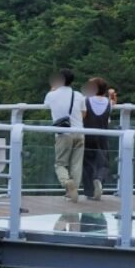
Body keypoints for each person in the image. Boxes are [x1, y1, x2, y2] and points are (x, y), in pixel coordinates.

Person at [44, 68, 86, 203]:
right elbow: (84, 113)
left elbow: (46, 106)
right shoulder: (78, 95)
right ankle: (73, 192)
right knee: (77, 163)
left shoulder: (52, 95)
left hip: (63, 134)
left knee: (60, 163)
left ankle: (67, 183)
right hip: (79, 132)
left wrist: (52, 90)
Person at [81, 77, 116, 202]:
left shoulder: (86, 101)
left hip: (87, 134)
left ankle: (89, 191)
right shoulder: (108, 103)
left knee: (87, 162)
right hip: (102, 135)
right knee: (103, 162)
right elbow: (113, 103)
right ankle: (99, 179)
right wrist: (112, 95)